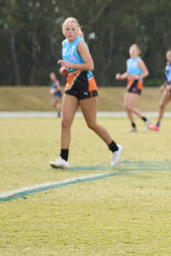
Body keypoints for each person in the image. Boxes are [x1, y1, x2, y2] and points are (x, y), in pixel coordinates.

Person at [49, 17, 123, 170]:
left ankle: (115, 148)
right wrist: (65, 69)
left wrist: (71, 65)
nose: (70, 32)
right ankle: (64, 159)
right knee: (65, 123)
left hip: (86, 85)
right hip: (71, 86)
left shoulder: (80, 44)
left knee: (91, 124)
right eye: (67, 29)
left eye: (73, 29)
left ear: (77, 31)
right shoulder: (64, 44)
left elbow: (90, 65)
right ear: (63, 31)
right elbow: (71, 65)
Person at [115, 44, 151, 132]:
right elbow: (128, 73)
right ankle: (134, 126)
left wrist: (138, 76)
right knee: (126, 107)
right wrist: (121, 76)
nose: (132, 52)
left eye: (134, 51)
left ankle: (146, 120)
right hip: (130, 84)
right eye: (131, 50)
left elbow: (146, 72)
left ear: (137, 52)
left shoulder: (139, 61)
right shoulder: (128, 61)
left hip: (137, 83)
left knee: (130, 107)